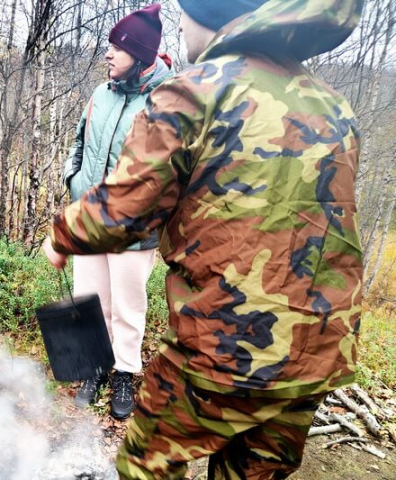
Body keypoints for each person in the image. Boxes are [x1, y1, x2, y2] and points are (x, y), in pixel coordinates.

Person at [43, 0, 363, 477]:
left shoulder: (195, 91)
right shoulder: (331, 103)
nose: (180, 26)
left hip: (230, 345)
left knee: (146, 462)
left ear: (212, 13)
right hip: (320, 349)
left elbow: (128, 206)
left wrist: (62, 234)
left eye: (184, 14)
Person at [62, 3, 172, 420]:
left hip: (134, 229)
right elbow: (78, 142)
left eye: (116, 48)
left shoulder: (165, 100)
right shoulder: (100, 94)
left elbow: (171, 170)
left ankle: (124, 372)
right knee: (90, 298)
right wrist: (73, 183)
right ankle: (94, 368)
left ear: (140, 55)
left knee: (128, 305)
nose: (107, 55)